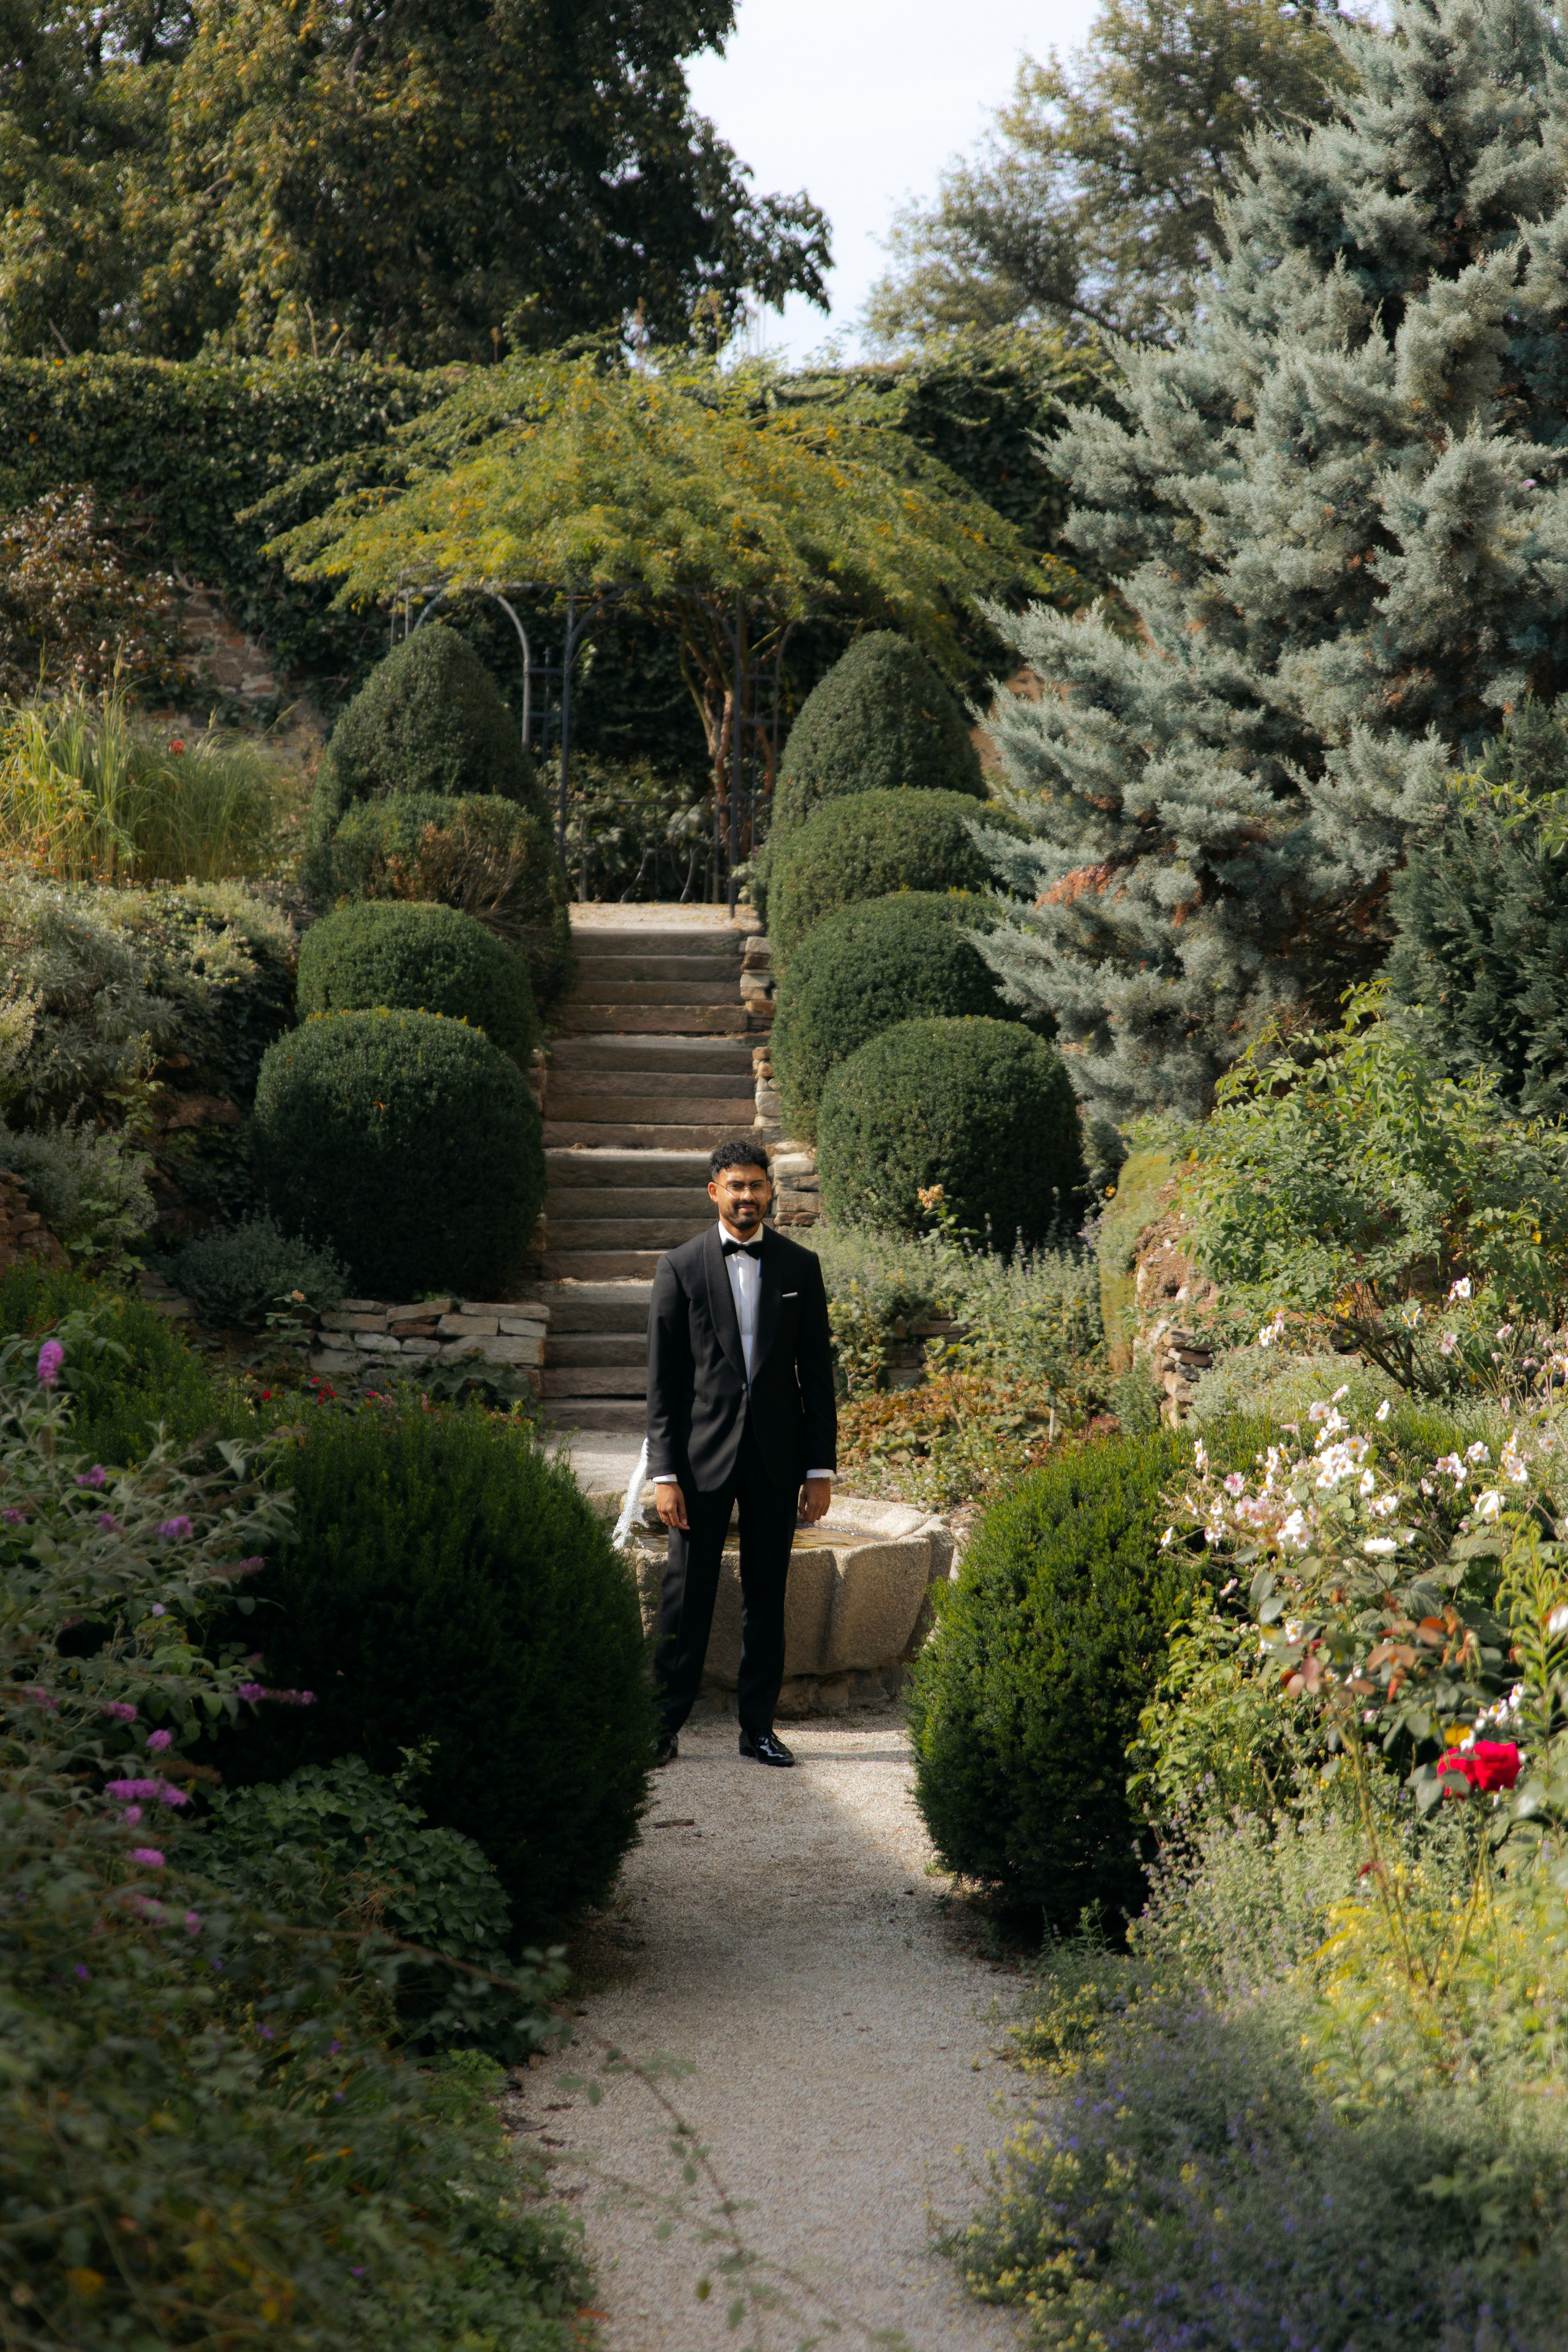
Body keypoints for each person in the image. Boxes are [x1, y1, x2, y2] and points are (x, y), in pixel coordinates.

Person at [644, 1138, 837, 1768]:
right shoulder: (678, 1267)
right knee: (685, 1594)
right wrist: (664, 1473)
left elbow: (817, 1374)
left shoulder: (799, 1267)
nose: (747, 1196)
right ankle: (661, 1724)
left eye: (756, 1185)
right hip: (699, 1461)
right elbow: (663, 1384)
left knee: (766, 1593)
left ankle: (758, 1727)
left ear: (769, 1192)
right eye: (735, 1186)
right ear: (714, 1192)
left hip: (777, 1460)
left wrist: (819, 1468)